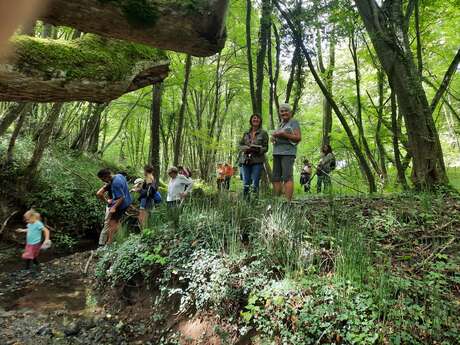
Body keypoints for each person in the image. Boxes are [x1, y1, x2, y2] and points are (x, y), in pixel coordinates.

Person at [271, 103, 302, 201]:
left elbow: (298, 137)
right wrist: (274, 138)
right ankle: (277, 200)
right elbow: (279, 136)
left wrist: (284, 134)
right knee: (275, 177)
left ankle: (287, 201)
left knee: (287, 176)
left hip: (288, 153)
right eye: (282, 111)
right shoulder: (281, 124)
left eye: (286, 111)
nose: (284, 113)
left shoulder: (294, 122)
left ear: (290, 112)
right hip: (277, 152)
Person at [97, 168, 132, 244]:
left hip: (121, 205)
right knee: (115, 222)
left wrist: (114, 207)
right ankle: (120, 239)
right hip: (126, 202)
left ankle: (109, 243)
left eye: (103, 179)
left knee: (111, 223)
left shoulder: (116, 183)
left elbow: (122, 197)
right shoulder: (119, 175)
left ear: (106, 176)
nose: (103, 181)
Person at [238, 114, 269, 199]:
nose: (256, 119)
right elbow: (240, 145)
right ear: (251, 120)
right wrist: (245, 148)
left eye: (258, 118)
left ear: (260, 121)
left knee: (255, 184)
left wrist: (258, 149)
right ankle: (246, 204)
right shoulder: (246, 133)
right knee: (246, 184)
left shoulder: (263, 133)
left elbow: (266, 148)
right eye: (254, 118)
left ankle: (255, 202)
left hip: (257, 161)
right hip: (245, 160)